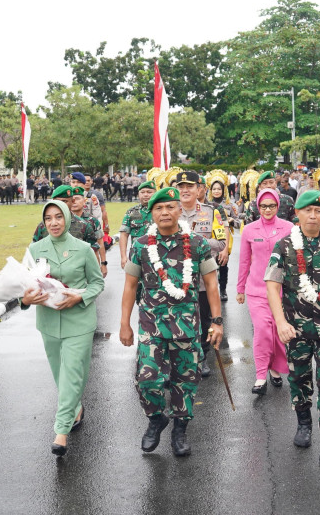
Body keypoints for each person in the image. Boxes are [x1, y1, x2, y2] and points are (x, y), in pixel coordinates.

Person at [119, 186, 223, 457]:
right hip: (151, 325)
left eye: (170, 207)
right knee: (146, 379)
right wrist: (124, 323)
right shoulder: (141, 245)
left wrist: (217, 321)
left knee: (185, 381)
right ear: (151, 213)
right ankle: (156, 419)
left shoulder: (197, 244)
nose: (165, 212)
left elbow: (211, 284)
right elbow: (130, 286)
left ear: (179, 209)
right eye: (158, 208)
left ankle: (180, 429)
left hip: (187, 326)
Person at [265, 189, 320, 469]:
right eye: (308, 211)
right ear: (298, 214)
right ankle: (303, 424)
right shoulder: (284, 246)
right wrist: (281, 322)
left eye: (318, 211)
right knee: (299, 378)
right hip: (297, 329)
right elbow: (272, 285)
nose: (313, 216)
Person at [21, 200, 104, 456]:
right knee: (60, 374)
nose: (53, 223)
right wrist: (26, 300)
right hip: (48, 322)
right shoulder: (35, 249)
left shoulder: (83, 249)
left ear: (67, 218)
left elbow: (97, 283)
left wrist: (80, 297)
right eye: (48, 218)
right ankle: (75, 408)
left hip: (79, 320)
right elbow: (23, 286)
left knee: (73, 373)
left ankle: (61, 431)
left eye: (58, 217)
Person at [237, 188, 293, 395]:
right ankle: (261, 375)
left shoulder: (289, 228)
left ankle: (275, 369)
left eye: (271, 206)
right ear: (257, 207)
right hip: (257, 290)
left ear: (278, 206)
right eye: (263, 206)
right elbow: (244, 261)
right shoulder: (249, 230)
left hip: (282, 291)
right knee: (262, 330)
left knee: (278, 332)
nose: (267, 210)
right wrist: (240, 288)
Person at [175, 171, 228, 377]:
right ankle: (179, 358)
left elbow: (221, 243)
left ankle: (202, 356)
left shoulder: (211, 212)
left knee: (205, 320)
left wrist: (195, 240)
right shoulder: (171, 210)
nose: (185, 190)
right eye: (181, 187)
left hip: (204, 278)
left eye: (189, 186)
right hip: (176, 277)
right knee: (178, 318)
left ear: (199, 189)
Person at [207, 172, 240, 302]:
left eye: (219, 189)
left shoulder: (230, 205)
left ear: (223, 190)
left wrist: (231, 221)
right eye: (214, 189)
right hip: (210, 239)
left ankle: (223, 290)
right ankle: (211, 290)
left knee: (223, 265)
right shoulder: (207, 205)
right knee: (209, 266)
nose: (216, 191)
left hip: (225, 240)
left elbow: (238, 223)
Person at [119, 180, 156, 269]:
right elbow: (124, 235)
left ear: (155, 193)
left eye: (149, 192)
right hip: (136, 256)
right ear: (138, 194)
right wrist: (123, 257)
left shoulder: (160, 210)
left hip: (157, 255)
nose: (145, 195)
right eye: (142, 192)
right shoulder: (131, 212)